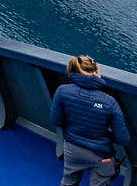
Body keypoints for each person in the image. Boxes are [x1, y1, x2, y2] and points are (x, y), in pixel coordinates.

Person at [51, 56, 130, 186]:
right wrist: (104, 133)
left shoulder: (62, 91)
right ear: (96, 72)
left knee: (68, 182)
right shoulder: (109, 102)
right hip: (101, 154)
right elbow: (123, 139)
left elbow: (57, 121)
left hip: (73, 149)